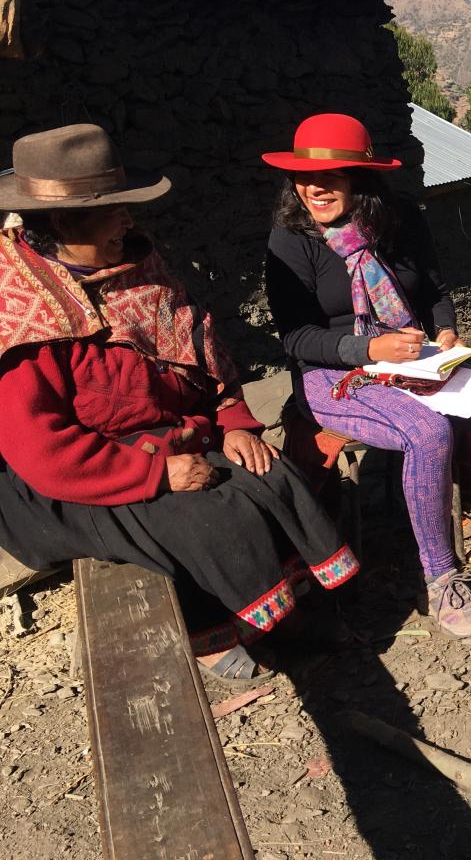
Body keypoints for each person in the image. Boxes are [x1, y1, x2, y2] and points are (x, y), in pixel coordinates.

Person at [0, 124, 359, 683]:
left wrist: (233, 421)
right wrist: (156, 474)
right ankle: (210, 633)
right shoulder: (21, 313)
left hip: (169, 435)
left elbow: (202, 351)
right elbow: (40, 449)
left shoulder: (140, 268)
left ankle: (281, 610)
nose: (129, 221)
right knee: (208, 513)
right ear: (64, 223)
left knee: (269, 474)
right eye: (114, 210)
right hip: (72, 475)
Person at [262, 113, 471, 639]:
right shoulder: (292, 241)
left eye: (330, 177)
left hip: (413, 357)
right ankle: (441, 576)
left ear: (362, 179)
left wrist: (444, 331)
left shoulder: (400, 222)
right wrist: (366, 347)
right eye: (304, 177)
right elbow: (295, 337)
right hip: (334, 373)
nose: (314, 187)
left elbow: (436, 291)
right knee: (427, 432)